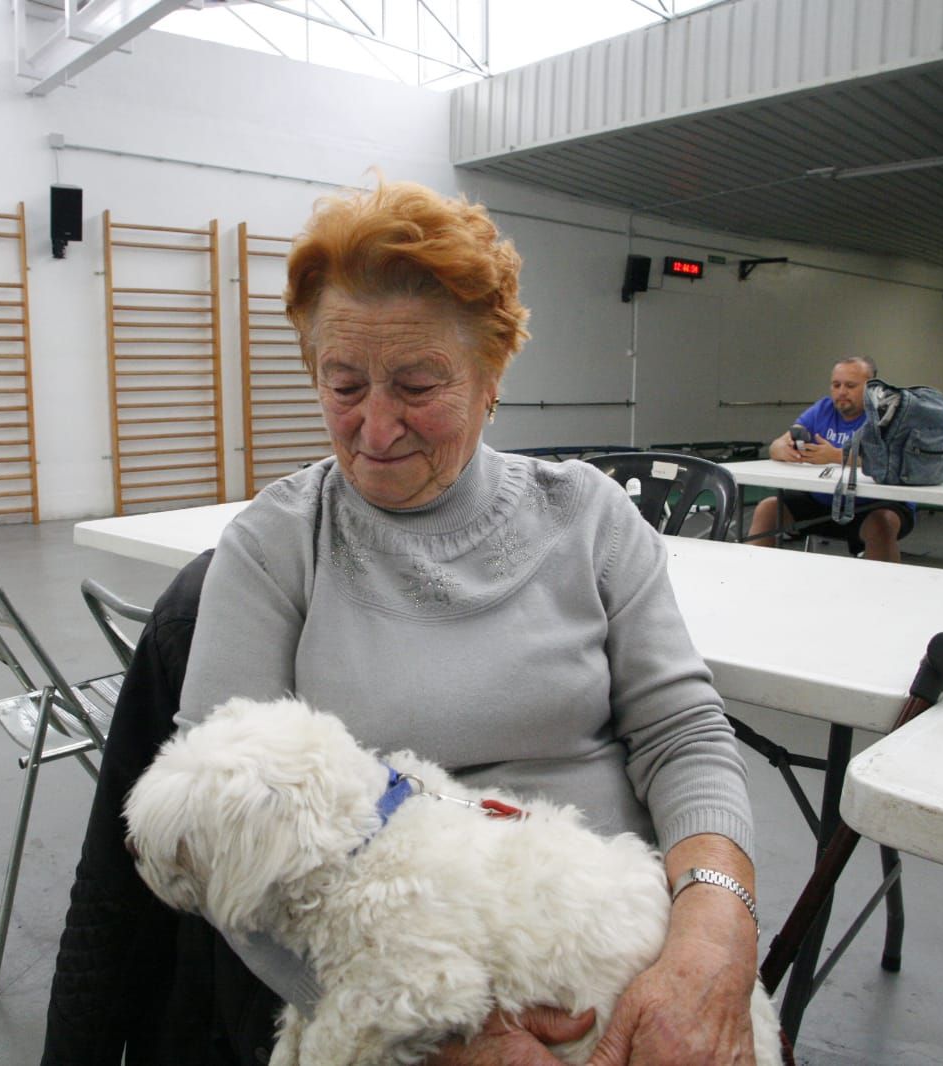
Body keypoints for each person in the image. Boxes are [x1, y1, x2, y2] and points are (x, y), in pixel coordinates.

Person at [174, 179, 762, 1065]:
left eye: (417, 385)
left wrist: (713, 933)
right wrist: (441, 1039)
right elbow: (211, 840)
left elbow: (682, 734)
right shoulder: (276, 547)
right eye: (342, 384)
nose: (375, 427)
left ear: (492, 378)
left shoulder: (591, 520)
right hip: (382, 993)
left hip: (613, 953)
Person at [747, 356, 915, 563]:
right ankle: (752, 576)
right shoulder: (822, 409)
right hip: (825, 502)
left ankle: (885, 589)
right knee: (769, 509)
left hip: (876, 503)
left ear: (872, 388)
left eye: (850, 386)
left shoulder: (888, 414)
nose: (841, 392)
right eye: (836, 385)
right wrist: (784, 449)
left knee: (881, 523)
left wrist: (837, 455)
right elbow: (778, 444)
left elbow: (893, 460)